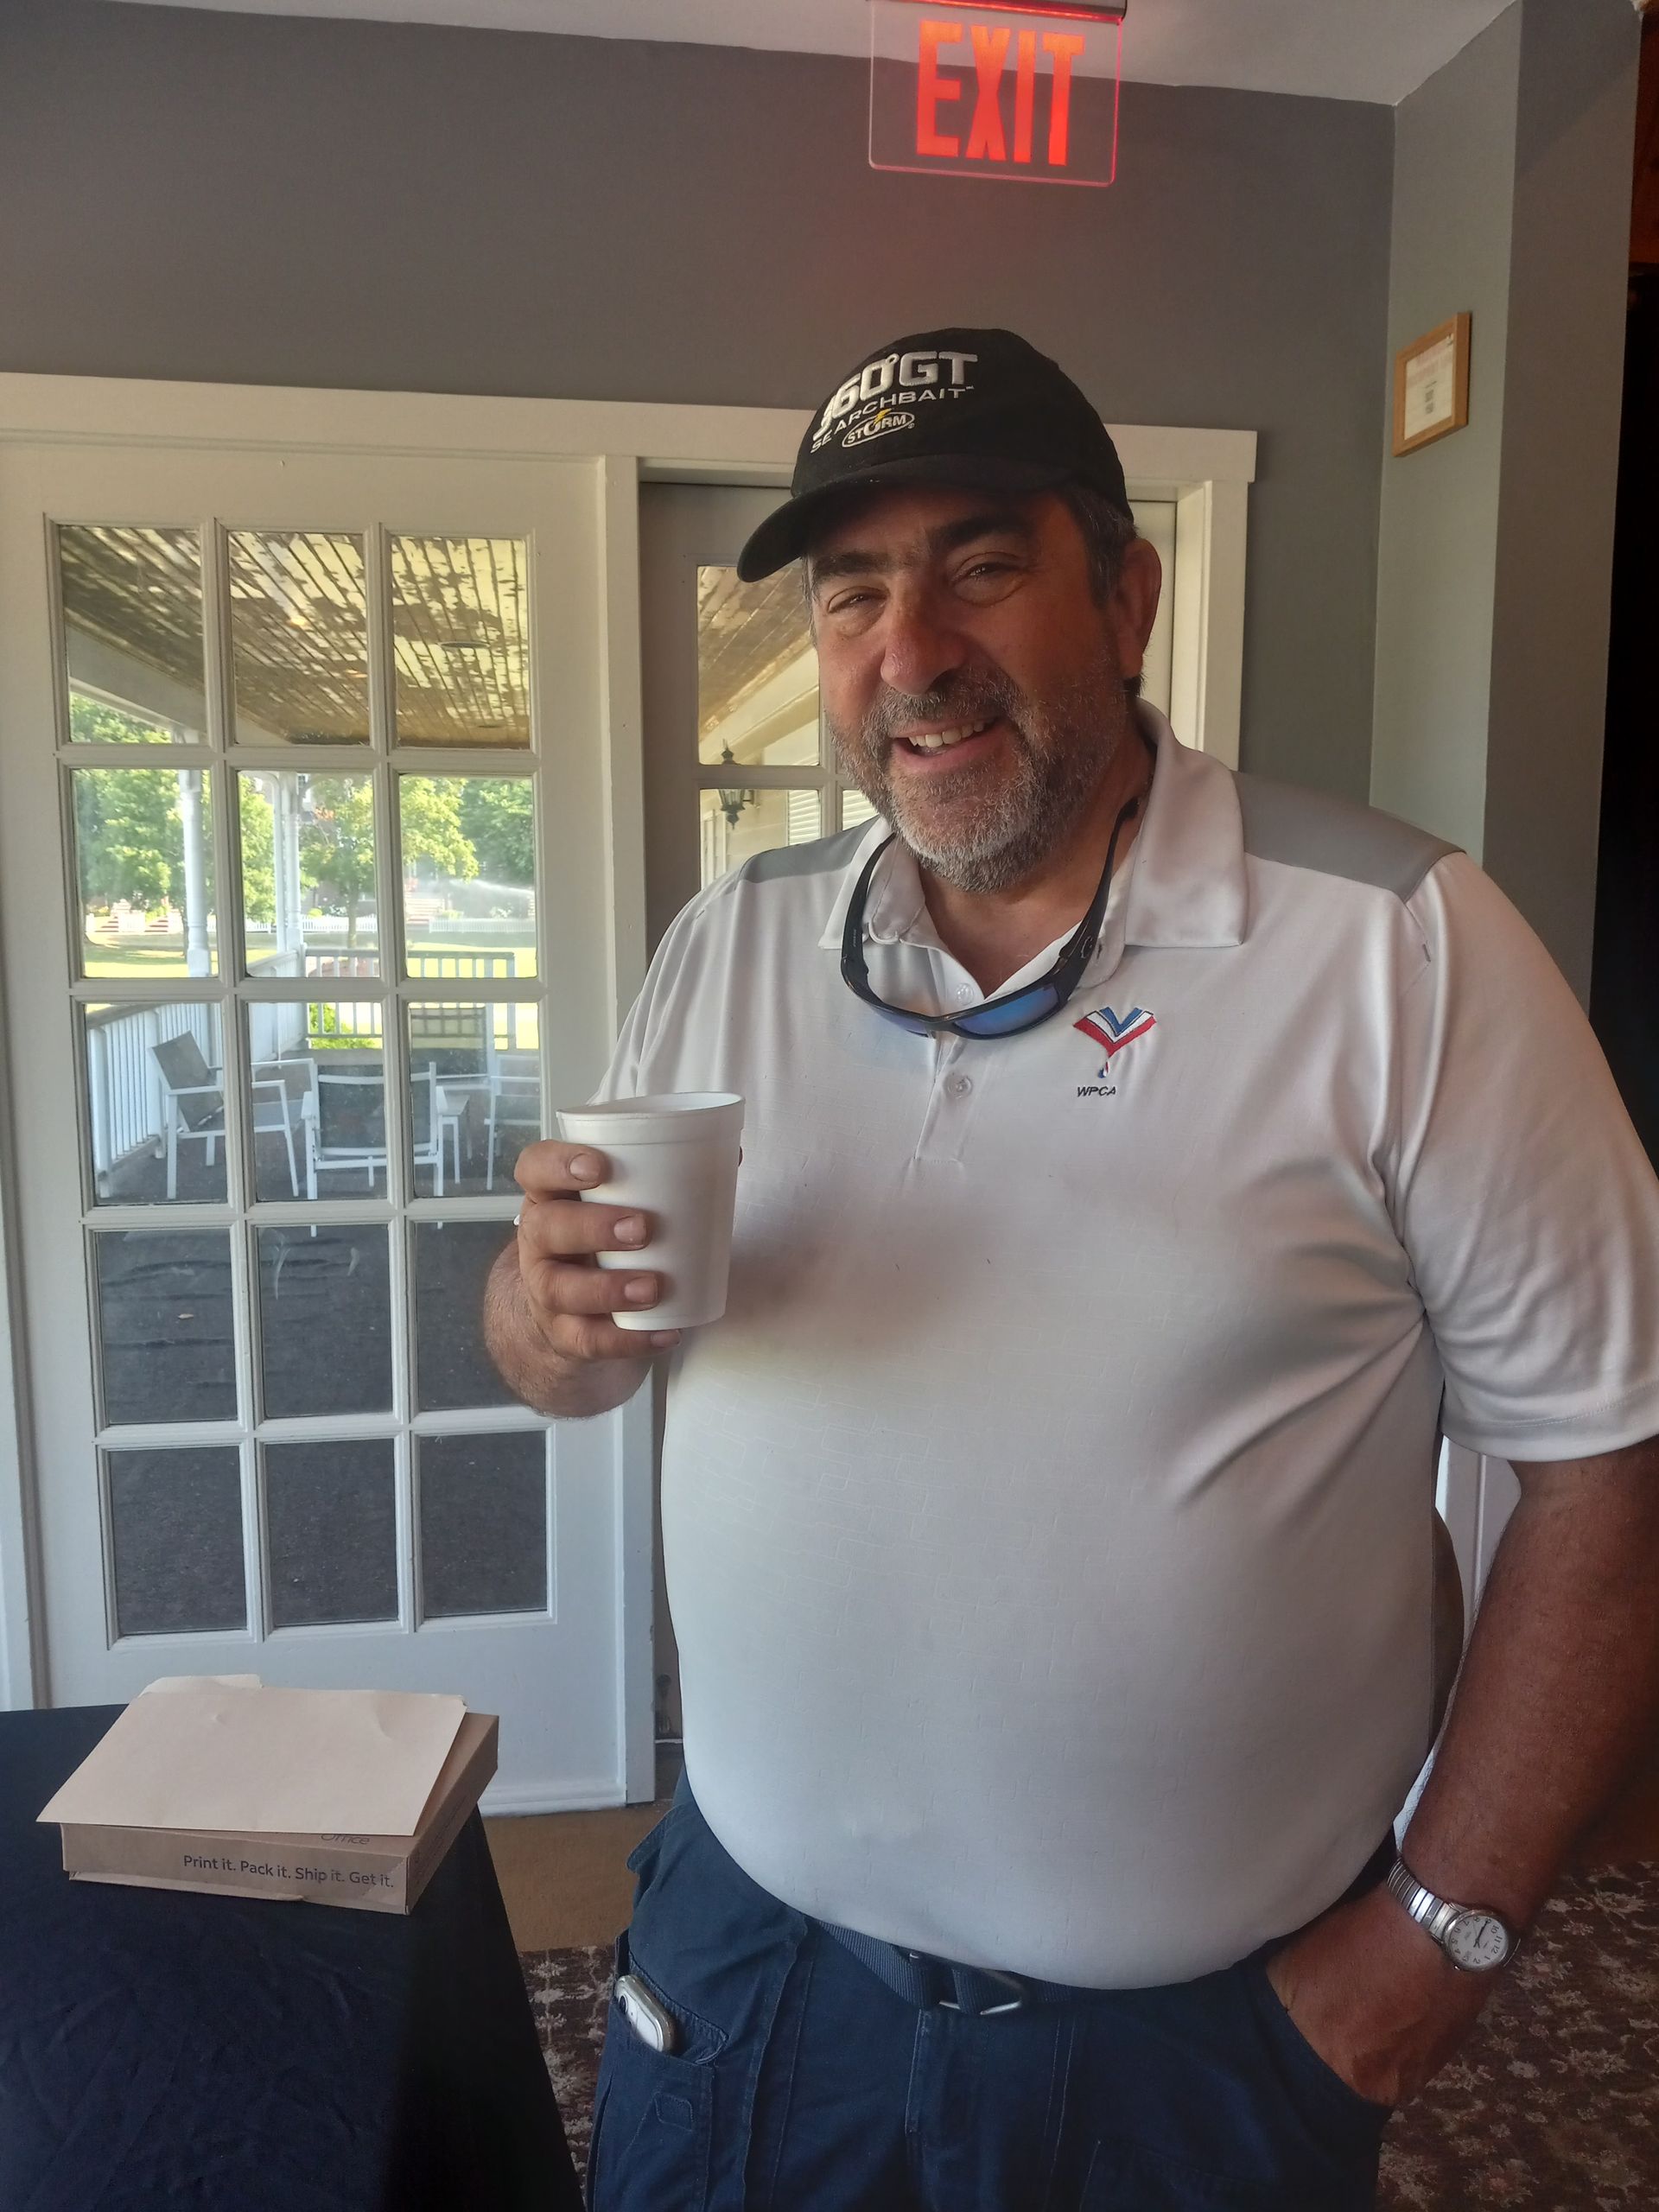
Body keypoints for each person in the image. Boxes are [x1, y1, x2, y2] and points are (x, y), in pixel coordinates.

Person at [484, 327, 1659, 2212]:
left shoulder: (1402, 946)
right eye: (854, 589)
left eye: (978, 562)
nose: (911, 648)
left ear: (1128, 594)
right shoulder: (733, 936)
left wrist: (1440, 1937)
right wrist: (541, 1317)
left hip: (1191, 2052)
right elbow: (571, 1356)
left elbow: (1609, 1468)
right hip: (753, 1977)